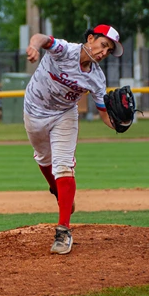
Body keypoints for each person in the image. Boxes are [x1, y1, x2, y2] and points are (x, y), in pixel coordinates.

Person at [23, 24, 125, 255]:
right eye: (103, 45)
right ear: (90, 38)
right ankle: (57, 190)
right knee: (43, 159)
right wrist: (33, 46)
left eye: (109, 50)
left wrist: (119, 126)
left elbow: (103, 112)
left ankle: (63, 231)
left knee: (64, 166)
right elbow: (42, 38)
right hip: (34, 111)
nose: (104, 52)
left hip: (64, 116)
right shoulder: (65, 51)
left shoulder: (97, 78)